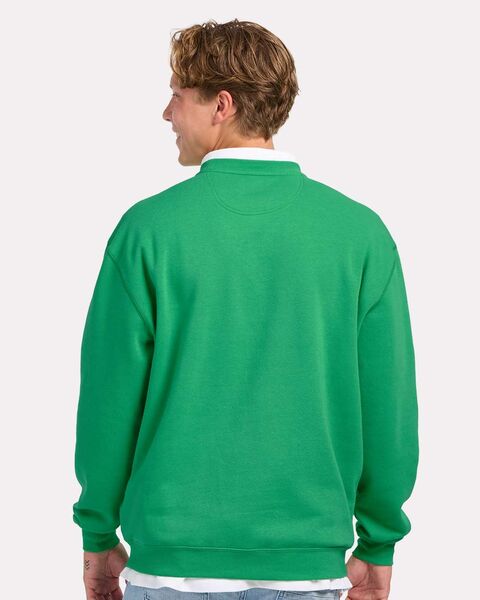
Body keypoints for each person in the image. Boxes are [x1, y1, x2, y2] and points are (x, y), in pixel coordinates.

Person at [72, 18, 419, 600]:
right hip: (306, 566)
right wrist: (379, 541)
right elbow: (388, 405)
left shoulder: (147, 231)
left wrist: (98, 533)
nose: (166, 113)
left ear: (222, 105)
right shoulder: (360, 235)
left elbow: (109, 400)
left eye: (178, 95)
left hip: (169, 565)